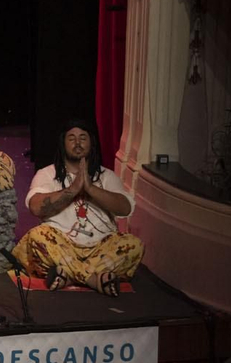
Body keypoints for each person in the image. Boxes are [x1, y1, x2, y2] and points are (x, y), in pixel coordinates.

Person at [13, 118, 142, 295]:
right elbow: (36, 207)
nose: (77, 143)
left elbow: (125, 208)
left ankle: (68, 274)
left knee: (133, 245)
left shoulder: (107, 176)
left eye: (83, 138)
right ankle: (93, 278)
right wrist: (73, 189)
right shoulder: (47, 173)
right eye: (71, 138)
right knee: (38, 237)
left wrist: (90, 188)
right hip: (61, 246)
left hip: (100, 247)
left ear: (91, 143)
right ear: (63, 143)